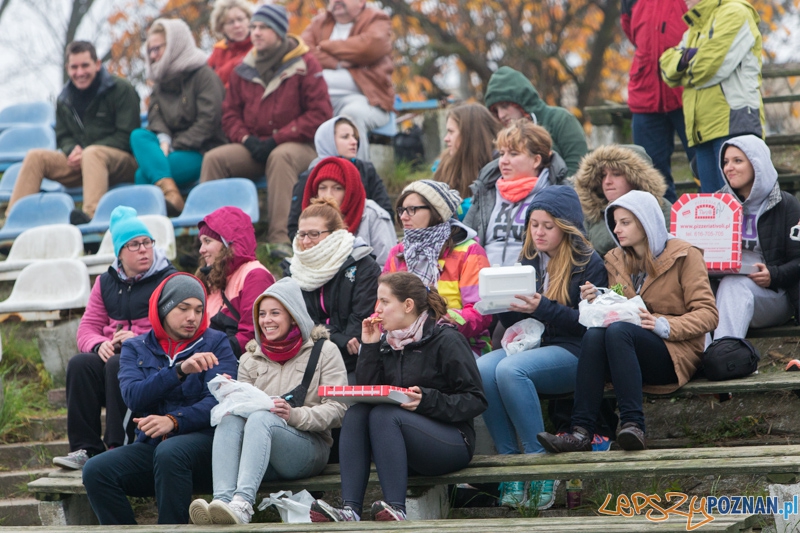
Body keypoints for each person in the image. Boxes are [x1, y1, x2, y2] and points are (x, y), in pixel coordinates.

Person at [537, 190, 718, 453]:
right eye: (615, 223)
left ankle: (634, 425)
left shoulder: (686, 255)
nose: (617, 229)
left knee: (619, 332)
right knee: (596, 334)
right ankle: (581, 431)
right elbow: (619, 305)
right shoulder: (616, 259)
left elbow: (708, 314)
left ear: (646, 223)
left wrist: (662, 324)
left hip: (674, 351)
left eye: (625, 222)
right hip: (626, 350)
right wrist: (597, 296)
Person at [310, 272, 487, 522]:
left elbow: (476, 399)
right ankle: (350, 510)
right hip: (399, 448)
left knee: (385, 414)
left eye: (384, 301)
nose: (377, 309)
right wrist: (369, 347)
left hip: (451, 443)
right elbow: (368, 392)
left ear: (408, 305)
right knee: (357, 412)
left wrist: (426, 400)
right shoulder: (385, 343)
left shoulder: (446, 339)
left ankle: (396, 509)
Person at [477, 186, 607, 510]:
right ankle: (511, 466)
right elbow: (516, 319)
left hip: (576, 351)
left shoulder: (588, 262)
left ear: (566, 227)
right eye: (534, 225)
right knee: (481, 369)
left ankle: (540, 467)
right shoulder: (529, 259)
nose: (539, 233)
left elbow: (588, 324)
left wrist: (541, 307)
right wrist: (500, 304)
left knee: (510, 370)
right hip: (535, 344)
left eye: (547, 226)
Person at [188, 278, 348, 525]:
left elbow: (338, 409)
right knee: (229, 418)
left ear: (293, 316)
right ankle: (221, 503)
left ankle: (242, 504)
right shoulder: (251, 358)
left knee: (263, 417)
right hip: (258, 454)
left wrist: (294, 415)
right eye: (261, 314)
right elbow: (242, 412)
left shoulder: (324, 351)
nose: (266, 320)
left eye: (275, 313)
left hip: (308, 449)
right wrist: (233, 394)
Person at [82, 273, 238, 524]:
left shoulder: (216, 342)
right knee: (96, 470)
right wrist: (177, 371)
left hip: (205, 449)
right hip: (153, 448)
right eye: (183, 308)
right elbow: (133, 397)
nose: (192, 317)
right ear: (163, 309)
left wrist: (174, 420)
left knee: (171, 451)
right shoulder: (136, 347)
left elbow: (221, 400)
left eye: (199, 310)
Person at [199, 4, 333, 259]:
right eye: (254, 27)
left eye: (263, 27)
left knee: (280, 156)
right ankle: (211, 241)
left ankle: (279, 239)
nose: (256, 32)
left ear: (280, 32)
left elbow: (320, 115)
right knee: (214, 159)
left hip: (299, 144)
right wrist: (245, 139)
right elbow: (229, 114)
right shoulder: (242, 69)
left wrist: (276, 139)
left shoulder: (305, 63)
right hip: (255, 145)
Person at [52, 207, 176, 470]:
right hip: (117, 357)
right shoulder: (104, 282)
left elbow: (176, 329)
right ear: (120, 252)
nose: (144, 249)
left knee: (117, 364)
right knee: (81, 363)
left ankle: (118, 448)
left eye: (147, 242)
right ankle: (85, 449)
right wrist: (100, 344)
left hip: (155, 360)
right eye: (134, 244)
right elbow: (86, 328)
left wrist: (139, 340)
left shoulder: (168, 279)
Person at [7, 41, 139, 224]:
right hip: (84, 163)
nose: (80, 73)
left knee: (93, 154)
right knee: (35, 156)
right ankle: (11, 223)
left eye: (85, 65)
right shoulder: (64, 99)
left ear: (97, 64)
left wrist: (86, 152)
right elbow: (63, 136)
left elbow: (127, 136)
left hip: (123, 163)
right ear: (67, 68)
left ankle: (91, 220)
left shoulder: (122, 89)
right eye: (74, 67)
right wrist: (71, 150)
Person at [659, 0, 764, 193]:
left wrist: (683, 69)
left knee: (741, 209)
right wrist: (685, 58)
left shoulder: (735, 12)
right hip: (702, 129)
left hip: (733, 123)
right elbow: (665, 68)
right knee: (713, 214)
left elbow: (707, 68)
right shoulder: (694, 27)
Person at [130, 19, 226, 216]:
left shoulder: (204, 76)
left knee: (142, 175)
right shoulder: (159, 84)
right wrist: (164, 138)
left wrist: (175, 144)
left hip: (203, 150)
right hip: (171, 148)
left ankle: (166, 214)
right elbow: (156, 119)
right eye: (150, 51)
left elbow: (209, 121)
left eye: (157, 48)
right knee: (138, 136)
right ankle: (171, 196)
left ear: (175, 45)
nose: (153, 55)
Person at [385, 180, 492, 357]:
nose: (403, 217)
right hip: (402, 346)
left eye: (412, 209)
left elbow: (481, 311)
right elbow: (381, 307)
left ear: (437, 212)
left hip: (460, 345)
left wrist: (440, 322)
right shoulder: (398, 252)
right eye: (401, 210)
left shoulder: (469, 251)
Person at [711, 135, 800, 340]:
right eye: (725, 162)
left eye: (738, 161)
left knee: (733, 285)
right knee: (699, 293)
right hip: (724, 290)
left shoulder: (786, 204)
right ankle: (701, 359)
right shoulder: (716, 203)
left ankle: (725, 354)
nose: (729, 167)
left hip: (773, 294)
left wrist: (773, 274)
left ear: (756, 164)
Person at [290, 198, 381, 379]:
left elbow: (360, 321)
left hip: (354, 362)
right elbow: (304, 321)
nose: (306, 241)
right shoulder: (296, 269)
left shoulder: (364, 265)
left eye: (314, 234)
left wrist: (334, 337)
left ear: (335, 234)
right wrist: (339, 338)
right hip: (310, 357)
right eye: (302, 234)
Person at [464, 120, 568, 267]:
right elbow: (465, 239)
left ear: (536, 160)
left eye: (513, 154)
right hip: (484, 283)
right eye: (501, 153)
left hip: (536, 285)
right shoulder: (485, 191)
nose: (503, 161)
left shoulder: (558, 194)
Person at [622, 0, 696, 203]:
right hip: (645, 95)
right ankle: (662, 228)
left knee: (703, 166)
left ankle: (714, 225)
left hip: (687, 91)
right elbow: (631, 30)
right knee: (650, 176)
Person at [301, 0, 394, 161]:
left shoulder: (376, 18)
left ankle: (358, 179)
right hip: (319, 99)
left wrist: (324, 46)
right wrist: (336, 62)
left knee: (351, 116)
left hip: (367, 100)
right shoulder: (320, 21)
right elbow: (303, 51)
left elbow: (369, 47)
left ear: (361, 2)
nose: (336, 1)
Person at [288, 115, 394, 239]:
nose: (354, 141)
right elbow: (295, 226)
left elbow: (385, 212)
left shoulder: (366, 170)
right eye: (345, 137)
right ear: (328, 141)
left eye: (355, 136)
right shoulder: (310, 177)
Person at [197, 206, 275, 359]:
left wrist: (207, 355)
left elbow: (253, 336)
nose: (201, 250)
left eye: (207, 241)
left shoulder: (255, 275)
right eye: (201, 243)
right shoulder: (213, 279)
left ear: (229, 244)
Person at [483, 66, 587, 175]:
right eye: (496, 110)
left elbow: (578, 169)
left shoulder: (561, 119)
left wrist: (553, 191)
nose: (501, 115)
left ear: (522, 100)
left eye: (505, 106)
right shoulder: (504, 135)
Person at [292, 156, 395, 266]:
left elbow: (388, 268)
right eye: (322, 188)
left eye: (337, 188)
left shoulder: (374, 216)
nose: (328, 194)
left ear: (350, 190)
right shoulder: (311, 218)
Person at [572, 144, 672, 257]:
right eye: (603, 175)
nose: (607, 181)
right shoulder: (590, 213)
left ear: (637, 178)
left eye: (616, 174)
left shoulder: (662, 209)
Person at [432, 104, 501, 220]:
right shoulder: (444, 165)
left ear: (469, 134)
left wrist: (458, 208)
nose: (446, 138)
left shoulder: (501, 166)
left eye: (451, 132)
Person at [208, 0, 253, 87]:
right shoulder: (219, 50)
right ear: (221, 28)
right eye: (230, 22)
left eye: (240, 19)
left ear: (249, 20)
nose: (237, 25)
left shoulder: (259, 47)